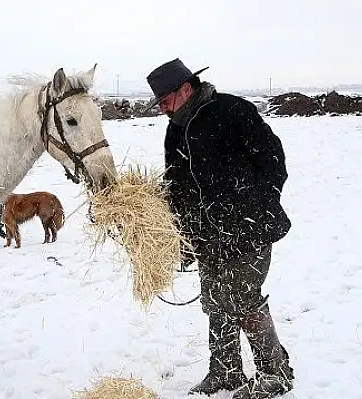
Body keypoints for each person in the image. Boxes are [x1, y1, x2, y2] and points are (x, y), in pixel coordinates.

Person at [144, 58, 294, 399]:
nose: (162, 108)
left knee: (243, 298)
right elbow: (177, 184)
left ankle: (274, 374)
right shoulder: (176, 127)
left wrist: (258, 208)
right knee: (215, 302)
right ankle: (226, 373)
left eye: (164, 100)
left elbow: (273, 160)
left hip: (249, 228)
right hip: (207, 235)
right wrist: (180, 231)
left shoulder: (231, 110)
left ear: (185, 88)